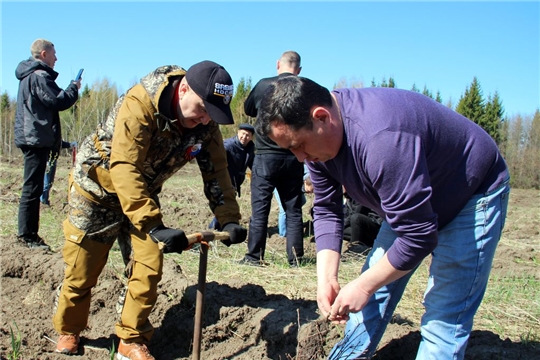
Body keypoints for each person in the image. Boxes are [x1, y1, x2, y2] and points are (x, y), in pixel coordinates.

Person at [255, 75, 510, 359]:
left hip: (470, 193)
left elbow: (419, 236)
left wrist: (364, 285)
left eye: (299, 145)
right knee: (371, 295)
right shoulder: (318, 149)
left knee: (443, 316)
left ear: (322, 117)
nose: (300, 158)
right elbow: (327, 208)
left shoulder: (381, 138)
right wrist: (326, 277)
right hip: (411, 206)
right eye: (291, 149)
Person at [52, 61, 248, 360]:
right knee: (82, 268)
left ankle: (130, 338)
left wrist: (228, 217)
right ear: (183, 89)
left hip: (141, 193)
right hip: (97, 191)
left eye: (212, 113)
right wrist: (152, 224)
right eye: (202, 108)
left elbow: (217, 171)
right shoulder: (140, 104)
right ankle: (70, 330)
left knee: (149, 263)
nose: (206, 118)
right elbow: (125, 166)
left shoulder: (205, 124)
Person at [240, 51, 305, 267]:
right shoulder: (305, 87)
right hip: (294, 157)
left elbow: (248, 108)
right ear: (299, 70)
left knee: (260, 210)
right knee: (293, 211)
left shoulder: (263, 85)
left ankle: (253, 257)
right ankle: (295, 260)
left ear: (278, 65)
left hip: (265, 157)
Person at [14, 38, 81, 249]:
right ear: (44, 54)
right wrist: (74, 87)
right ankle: (28, 236)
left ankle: (28, 234)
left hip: (32, 137)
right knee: (32, 189)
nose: (56, 58)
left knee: (32, 188)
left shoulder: (28, 76)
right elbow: (58, 101)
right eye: (54, 54)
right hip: (35, 139)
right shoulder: (40, 76)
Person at [209, 123, 255, 230]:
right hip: (224, 181)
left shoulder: (249, 148)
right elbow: (216, 159)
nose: (244, 137)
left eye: (248, 135)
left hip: (235, 182)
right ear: (238, 132)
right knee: (225, 206)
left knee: (226, 206)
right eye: (243, 134)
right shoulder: (228, 146)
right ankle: (214, 228)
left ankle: (216, 227)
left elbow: (253, 165)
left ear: (251, 137)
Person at [273, 163, 312, 237]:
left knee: (302, 201)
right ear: (306, 182)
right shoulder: (301, 175)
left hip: (293, 185)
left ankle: (292, 224)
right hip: (280, 183)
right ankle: (283, 234)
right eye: (310, 190)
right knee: (284, 209)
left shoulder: (310, 175)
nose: (310, 193)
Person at [40, 140, 77, 206]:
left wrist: (69, 144)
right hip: (47, 160)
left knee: (49, 183)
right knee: (46, 183)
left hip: (53, 159)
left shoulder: (55, 133)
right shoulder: (48, 131)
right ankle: (43, 202)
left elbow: (58, 143)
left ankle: (45, 200)